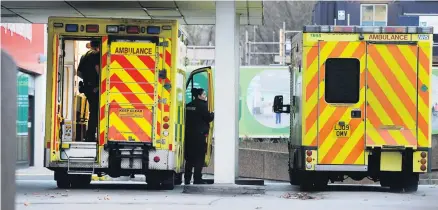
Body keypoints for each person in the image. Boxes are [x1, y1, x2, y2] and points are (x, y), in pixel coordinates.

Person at [184, 88, 214, 184]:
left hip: (189, 135)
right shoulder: (203, 106)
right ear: (199, 96)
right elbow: (208, 118)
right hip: (200, 136)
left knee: (189, 159)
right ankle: (197, 178)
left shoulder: (188, 106)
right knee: (199, 158)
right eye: (204, 94)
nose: (205, 96)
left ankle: (187, 179)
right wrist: (213, 113)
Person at [77, 40, 100, 142]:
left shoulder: (84, 55)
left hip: (88, 88)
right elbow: (97, 69)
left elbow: (78, 73)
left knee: (93, 112)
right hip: (96, 88)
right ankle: (93, 136)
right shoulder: (97, 55)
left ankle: (90, 136)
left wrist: (87, 80)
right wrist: (98, 84)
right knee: (96, 112)